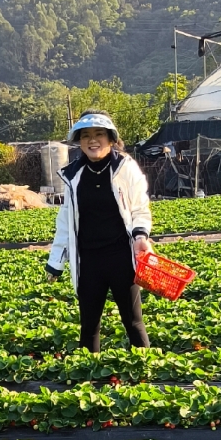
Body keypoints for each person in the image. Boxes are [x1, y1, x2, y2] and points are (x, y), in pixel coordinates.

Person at [46, 111, 154, 352]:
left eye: (98, 134)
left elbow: (140, 207)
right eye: (86, 136)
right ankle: (88, 380)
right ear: (79, 141)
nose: (92, 140)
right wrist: (56, 263)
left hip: (121, 258)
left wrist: (140, 237)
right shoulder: (73, 175)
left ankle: (147, 372)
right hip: (88, 261)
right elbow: (66, 221)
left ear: (111, 139)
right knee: (89, 326)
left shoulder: (125, 168)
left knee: (133, 322)